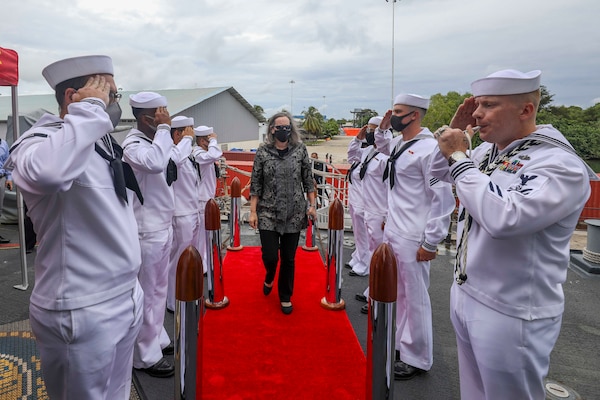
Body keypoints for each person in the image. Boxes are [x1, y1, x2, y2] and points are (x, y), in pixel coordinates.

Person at [431, 69, 596, 399]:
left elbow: (505, 218)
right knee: (474, 393)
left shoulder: (558, 163)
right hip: (468, 291)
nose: (477, 114)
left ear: (526, 110)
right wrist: (454, 136)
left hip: (511, 309)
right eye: (478, 105)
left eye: (489, 105)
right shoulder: (487, 152)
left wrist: (460, 157)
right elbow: (435, 174)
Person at [5, 55, 143, 399]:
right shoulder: (38, 142)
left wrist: (90, 114)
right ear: (72, 97)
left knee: (118, 392)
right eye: (106, 92)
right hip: (82, 307)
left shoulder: (98, 140)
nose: (112, 102)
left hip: (125, 293)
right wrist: (90, 110)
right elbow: (48, 173)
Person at [375, 94, 455, 380]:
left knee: (416, 297)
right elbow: (383, 149)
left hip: (414, 234)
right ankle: (402, 345)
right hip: (395, 230)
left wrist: (431, 240)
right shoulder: (400, 143)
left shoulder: (430, 150)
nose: (393, 114)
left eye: (398, 112)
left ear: (414, 116)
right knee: (400, 294)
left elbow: (443, 197)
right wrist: (383, 128)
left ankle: (418, 357)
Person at [123, 92, 193, 377]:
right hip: (145, 229)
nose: (166, 116)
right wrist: (166, 129)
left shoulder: (156, 142)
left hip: (160, 226)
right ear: (146, 118)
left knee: (158, 289)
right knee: (148, 291)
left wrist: (172, 134)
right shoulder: (133, 144)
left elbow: (172, 157)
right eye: (161, 113)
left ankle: (156, 338)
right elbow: (154, 163)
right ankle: (144, 354)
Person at [249, 111, 317, 315]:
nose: (283, 130)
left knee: (288, 258)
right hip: (268, 212)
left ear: (292, 129)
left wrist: (312, 205)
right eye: (279, 127)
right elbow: (256, 183)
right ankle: (270, 275)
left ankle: (285, 296)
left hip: (294, 212)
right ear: (272, 129)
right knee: (270, 256)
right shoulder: (263, 152)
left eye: (287, 127)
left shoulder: (300, 150)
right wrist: (253, 211)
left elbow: (308, 179)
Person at [349, 116, 387, 314]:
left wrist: (388, 215)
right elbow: (352, 157)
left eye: (374, 130)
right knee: (373, 253)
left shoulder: (387, 156)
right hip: (368, 209)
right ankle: (371, 291)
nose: (371, 133)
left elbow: (391, 188)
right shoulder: (369, 152)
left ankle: (378, 296)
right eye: (369, 130)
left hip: (381, 213)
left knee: (380, 256)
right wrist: (357, 138)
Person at [166, 116, 200, 312]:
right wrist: (186, 142)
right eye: (188, 132)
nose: (192, 136)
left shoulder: (188, 154)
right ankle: (173, 300)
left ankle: (186, 293)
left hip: (192, 211)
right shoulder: (173, 153)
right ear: (177, 134)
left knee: (189, 257)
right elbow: (174, 162)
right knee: (178, 259)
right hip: (180, 214)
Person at [192, 125, 223, 272]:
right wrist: (213, 142)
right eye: (207, 140)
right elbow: (214, 155)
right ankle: (200, 266)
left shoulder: (203, 153)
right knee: (201, 237)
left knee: (206, 236)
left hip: (207, 199)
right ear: (201, 141)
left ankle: (204, 263)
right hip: (201, 200)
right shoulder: (198, 153)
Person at [345, 132, 371, 277]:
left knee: (364, 236)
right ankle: (358, 258)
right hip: (355, 202)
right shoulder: (358, 159)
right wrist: (357, 138)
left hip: (364, 204)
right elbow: (351, 152)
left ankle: (364, 265)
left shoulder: (374, 159)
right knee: (358, 235)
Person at [0, 138, 12, 244]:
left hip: (1, 178)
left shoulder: (3, 143)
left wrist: (9, 179)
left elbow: (7, 162)